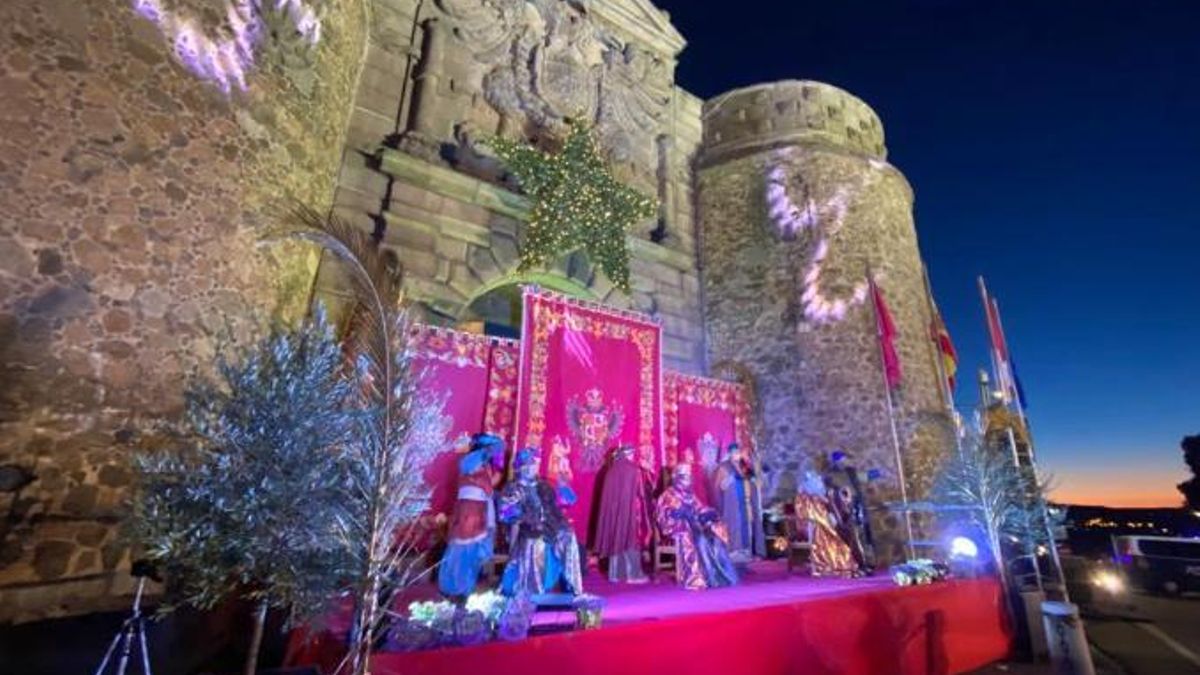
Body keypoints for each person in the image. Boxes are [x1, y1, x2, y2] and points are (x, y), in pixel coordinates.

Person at [497, 447, 583, 596]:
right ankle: (534, 591)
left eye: (535, 464)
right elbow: (504, 512)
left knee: (569, 535)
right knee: (536, 542)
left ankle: (572, 585)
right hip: (529, 530)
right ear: (520, 467)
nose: (532, 468)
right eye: (529, 464)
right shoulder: (513, 488)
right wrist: (523, 515)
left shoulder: (544, 485)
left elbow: (569, 501)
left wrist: (563, 488)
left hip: (551, 527)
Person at [437, 433, 506, 598]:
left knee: (466, 550)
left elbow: (488, 486)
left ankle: (460, 588)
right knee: (465, 549)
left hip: (473, 508)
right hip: (471, 511)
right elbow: (486, 486)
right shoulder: (473, 462)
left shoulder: (477, 463)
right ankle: (458, 588)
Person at [656, 464, 739, 590]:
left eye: (689, 477)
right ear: (677, 478)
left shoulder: (690, 494)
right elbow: (665, 516)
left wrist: (709, 514)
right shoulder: (669, 494)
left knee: (715, 531)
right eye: (685, 477)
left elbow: (699, 508)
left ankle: (718, 573)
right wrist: (682, 514)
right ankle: (696, 578)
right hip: (679, 527)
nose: (688, 480)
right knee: (699, 540)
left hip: (696, 526)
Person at [592, 445, 650, 583]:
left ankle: (615, 574)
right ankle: (633, 575)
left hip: (614, 514)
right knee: (630, 538)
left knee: (616, 536)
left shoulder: (610, 471)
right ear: (629, 455)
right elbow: (641, 494)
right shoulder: (634, 470)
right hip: (630, 513)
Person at [793, 471, 859, 577]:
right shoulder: (811, 497)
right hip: (817, 524)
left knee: (832, 539)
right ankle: (826, 564)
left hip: (819, 523)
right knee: (826, 540)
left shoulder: (807, 497)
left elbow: (827, 508)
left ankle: (830, 563)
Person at [711, 443, 766, 561]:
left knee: (748, 526)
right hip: (732, 505)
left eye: (738, 452)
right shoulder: (723, 468)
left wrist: (754, 478)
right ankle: (734, 551)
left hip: (746, 504)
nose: (737, 454)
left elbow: (753, 480)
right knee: (734, 525)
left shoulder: (744, 466)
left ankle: (748, 551)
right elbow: (718, 486)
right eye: (734, 452)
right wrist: (727, 483)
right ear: (730, 453)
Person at [825, 451, 875, 573]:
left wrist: (876, 473)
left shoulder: (851, 471)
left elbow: (863, 477)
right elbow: (830, 494)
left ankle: (868, 562)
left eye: (845, 459)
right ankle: (859, 564)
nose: (845, 461)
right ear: (837, 461)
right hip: (844, 510)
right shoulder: (830, 476)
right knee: (854, 537)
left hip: (857, 505)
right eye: (843, 460)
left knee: (863, 534)